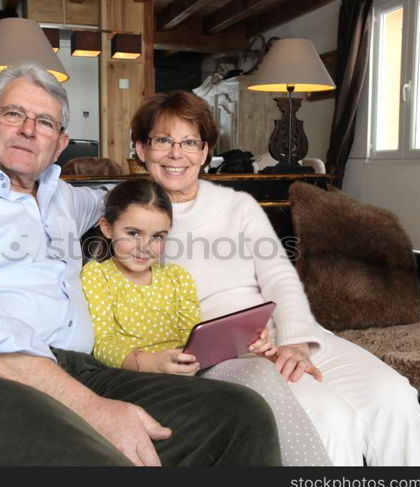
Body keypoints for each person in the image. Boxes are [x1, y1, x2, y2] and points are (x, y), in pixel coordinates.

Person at [0, 62, 281, 466]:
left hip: (72, 368)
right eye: (14, 113)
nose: (28, 129)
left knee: (242, 414)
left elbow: (125, 198)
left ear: (60, 142)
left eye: (45, 122)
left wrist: (168, 165)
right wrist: (92, 408)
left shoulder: (64, 199)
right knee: (95, 462)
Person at [130, 90, 420, 466]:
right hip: (222, 354)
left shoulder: (237, 205)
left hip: (284, 332)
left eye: (190, 141)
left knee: (396, 397)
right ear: (141, 149)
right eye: (163, 140)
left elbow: (279, 276)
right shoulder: (130, 220)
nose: (177, 153)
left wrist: (295, 341)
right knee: (329, 418)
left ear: (206, 152)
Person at [81, 178, 330, 466]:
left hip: (190, 370)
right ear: (107, 227)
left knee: (260, 372)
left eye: (158, 237)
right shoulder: (97, 276)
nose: (145, 247)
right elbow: (102, 343)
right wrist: (149, 362)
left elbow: (195, 337)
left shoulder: (176, 278)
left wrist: (248, 343)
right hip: (139, 378)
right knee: (245, 403)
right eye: (133, 232)